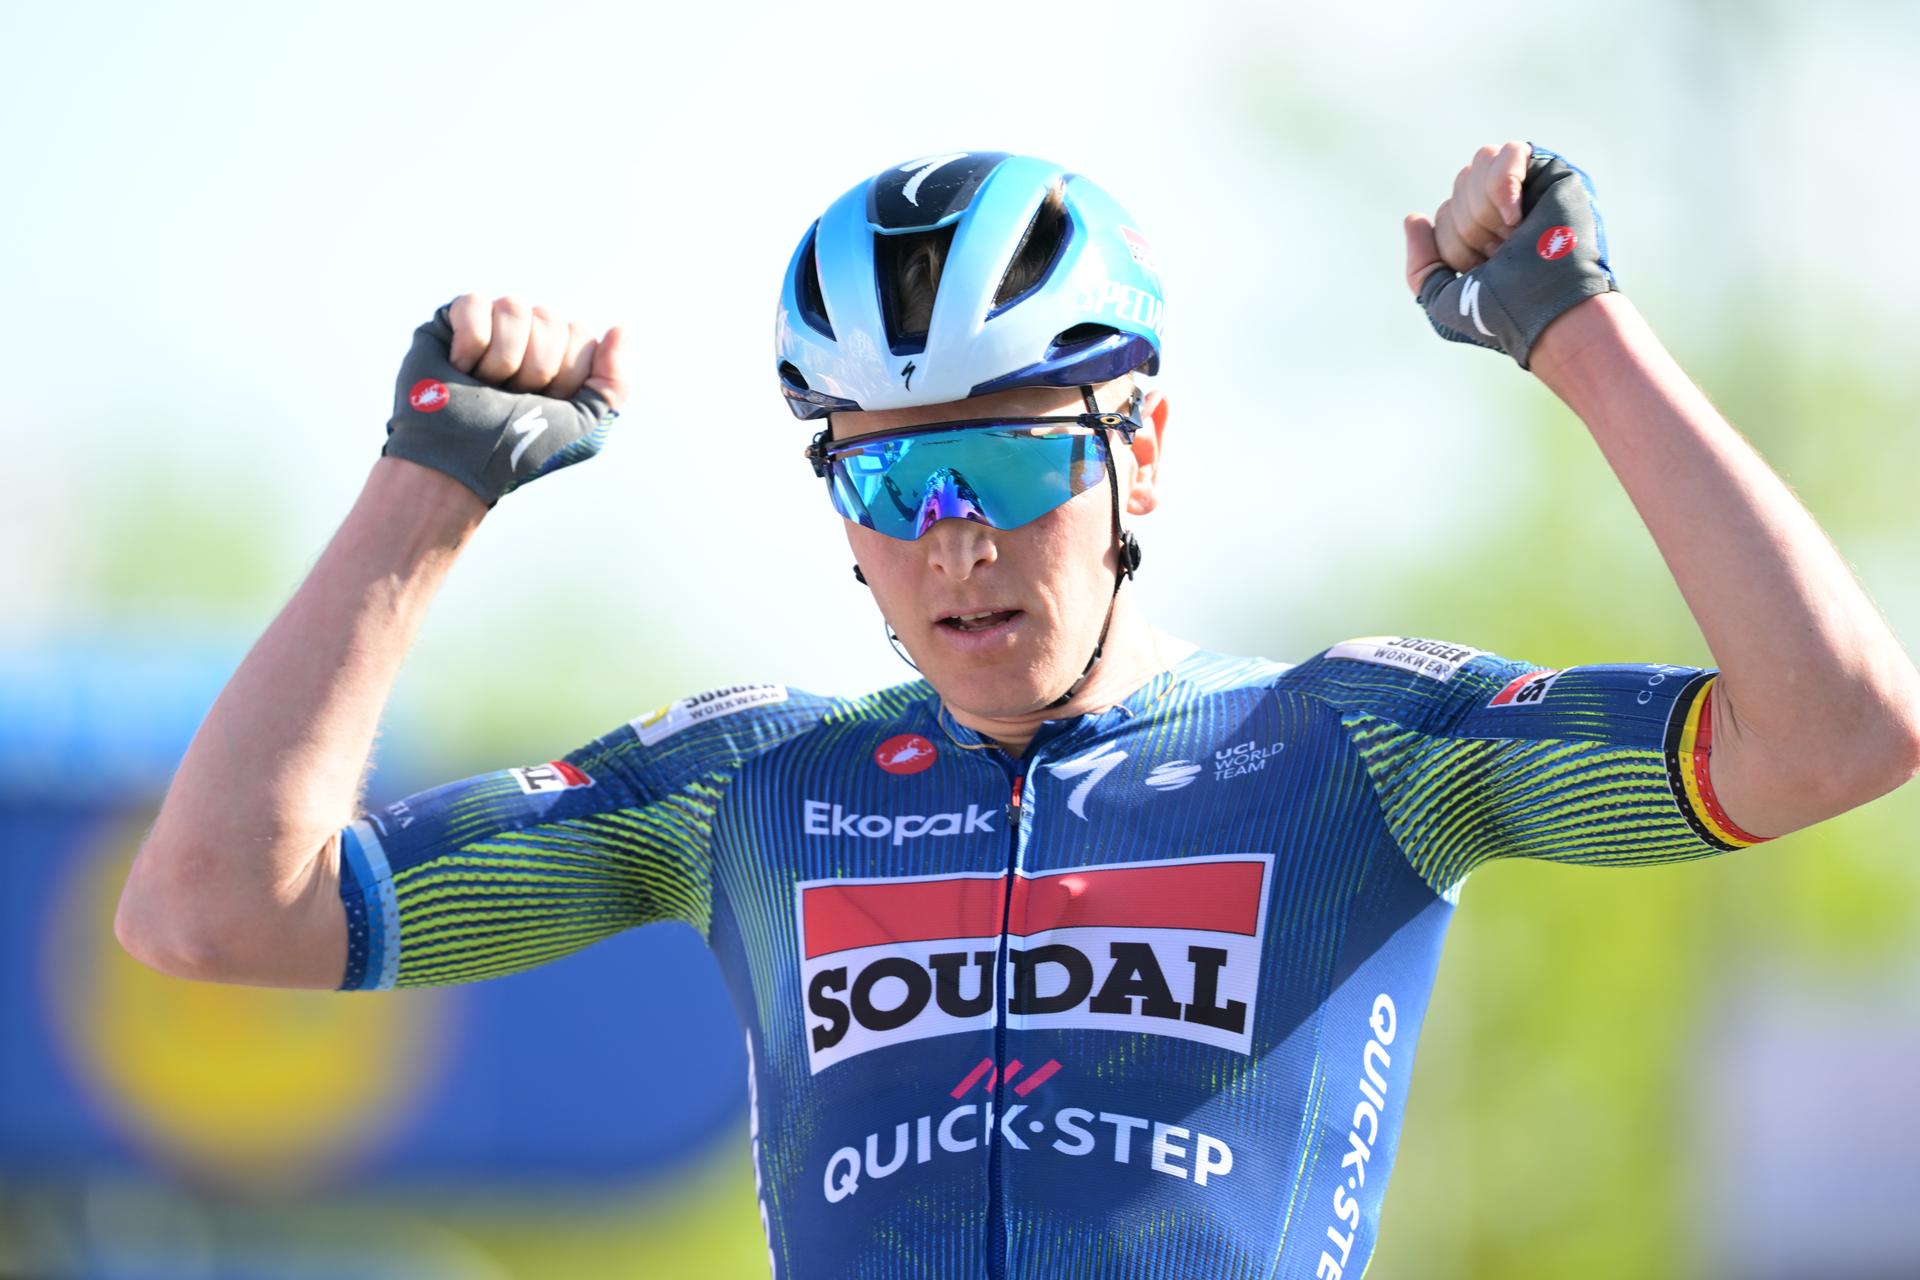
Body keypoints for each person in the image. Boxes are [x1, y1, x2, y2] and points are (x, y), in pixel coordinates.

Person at [115, 144, 1920, 1279]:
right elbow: (210, 912)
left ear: (1139, 449)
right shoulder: (752, 787)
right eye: (890, 484)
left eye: (998, 458)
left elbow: (1835, 735)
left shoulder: (1358, 749)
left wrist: (1576, 333)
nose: (954, 540)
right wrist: (429, 489)